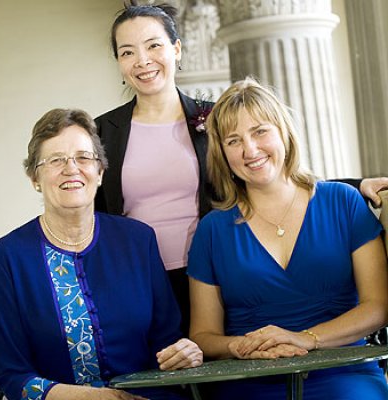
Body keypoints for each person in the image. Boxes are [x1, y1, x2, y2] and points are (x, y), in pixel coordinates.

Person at [94, 2, 388, 337]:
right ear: (119, 62)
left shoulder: (218, 119)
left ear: (176, 49)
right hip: (140, 281)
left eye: (154, 45)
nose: (143, 60)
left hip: (214, 272)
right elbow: (96, 213)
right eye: (128, 52)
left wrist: (356, 184)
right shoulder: (103, 132)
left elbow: (269, 173)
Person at [187, 77, 388, 400]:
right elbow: (203, 334)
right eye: (233, 140)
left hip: (343, 371)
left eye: (260, 131)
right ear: (222, 153)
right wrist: (236, 346)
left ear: (283, 132)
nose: (250, 150)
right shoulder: (212, 230)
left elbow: (378, 306)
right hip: (250, 379)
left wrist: (307, 338)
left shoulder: (343, 201)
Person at [0, 108, 203, 400]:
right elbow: (11, 375)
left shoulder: (138, 240)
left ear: (100, 172)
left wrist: (184, 352)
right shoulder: (4, 260)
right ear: (34, 178)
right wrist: (96, 398)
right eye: (55, 160)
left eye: (83, 157)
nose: (71, 168)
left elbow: (167, 342)